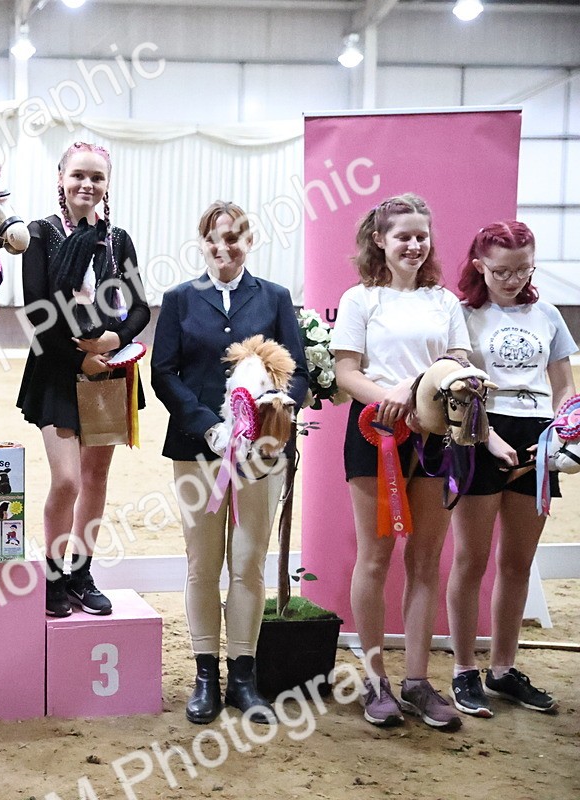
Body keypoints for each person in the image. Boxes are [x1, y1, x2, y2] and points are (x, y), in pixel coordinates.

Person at [152, 201, 309, 724]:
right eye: (216, 237)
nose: (226, 247)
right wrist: (210, 425)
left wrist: (280, 407)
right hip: (199, 451)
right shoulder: (178, 300)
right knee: (203, 563)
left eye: (236, 238)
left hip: (261, 456)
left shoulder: (276, 298)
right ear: (203, 241)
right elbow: (164, 373)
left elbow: (300, 371)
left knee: (247, 562)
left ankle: (243, 674)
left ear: (249, 241)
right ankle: (204, 674)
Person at [331, 193, 469, 731]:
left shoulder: (445, 302)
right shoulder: (361, 299)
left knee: (425, 557)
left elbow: (456, 364)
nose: (414, 244)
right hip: (376, 435)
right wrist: (388, 397)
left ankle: (416, 680)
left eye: (421, 236)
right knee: (375, 556)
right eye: (402, 236)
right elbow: (347, 371)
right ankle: (375, 679)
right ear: (379, 241)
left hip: (436, 435)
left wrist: (419, 393)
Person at [17, 142, 150, 617]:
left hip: (110, 372)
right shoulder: (39, 234)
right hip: (57, 370)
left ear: (107, 184)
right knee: (68, 480)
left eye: (96, 177)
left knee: (95, 478)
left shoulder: (119, 240)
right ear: (60, 178)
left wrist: (114, 341)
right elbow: (37, 310)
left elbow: (137, 305)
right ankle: (52, 573)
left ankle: (81, 570)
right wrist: (80, 361)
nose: (86, 185)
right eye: (78, 175)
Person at [447, 221, 573, 717]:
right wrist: (490, 439)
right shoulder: (462, 315)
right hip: (480, 429)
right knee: (469, 560)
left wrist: (562, 431)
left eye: (524, 269)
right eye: (502, 270)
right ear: (480, 265)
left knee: (517, 562)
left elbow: (563, 384)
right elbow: (456, 386)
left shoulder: (547, 314)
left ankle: (502, 667)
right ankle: (463, 670)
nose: (514, 278)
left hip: (538, 436)